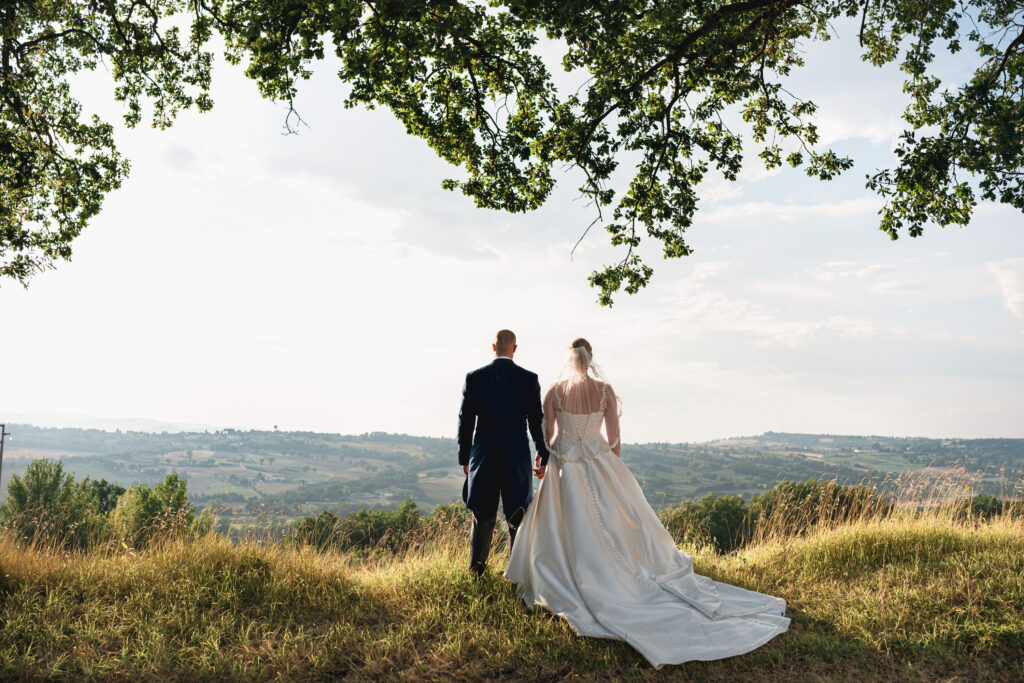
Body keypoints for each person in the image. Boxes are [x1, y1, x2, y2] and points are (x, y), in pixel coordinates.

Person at [504, 338, 790, 668]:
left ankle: (563, 576)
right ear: (591, 358)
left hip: (565, 468)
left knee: (563, 528)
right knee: (615, 526)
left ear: (568, 359)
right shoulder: (604, 391)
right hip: (599, 464)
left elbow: (549, 437)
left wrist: (545, 465)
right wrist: (612, 473)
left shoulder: (554, 391)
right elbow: (613, 439)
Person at [458, 329, 549, 576]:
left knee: (483, 515)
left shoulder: (474, 378)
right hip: (516, 456)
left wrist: (465, 457)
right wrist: (544, 453)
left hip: (484, 456)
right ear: (515, 349)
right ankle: (515, 574)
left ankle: (477, 571)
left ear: (493, 347)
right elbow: (536, 421)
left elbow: (466, 422)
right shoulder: (529, 379)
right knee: (517, 517)